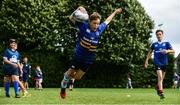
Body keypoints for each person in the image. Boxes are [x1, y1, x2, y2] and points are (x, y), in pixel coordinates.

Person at [60, 6, 122, 99]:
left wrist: (115, 12)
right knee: (69, 73)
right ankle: (63, 88)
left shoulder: (99, 29)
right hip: (78, 56)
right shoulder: (83, 26)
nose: (96, 25)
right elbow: (70, 18)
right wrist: (76, 10)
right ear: (90, 22)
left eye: (98, 23)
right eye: (94, 23)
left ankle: (67, 76)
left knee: (77, 77)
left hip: (88, 59)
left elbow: (107, 20)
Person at [144, 30, 175, 99]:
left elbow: (173, 51)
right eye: (157, 34)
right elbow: (149, 53)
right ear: (156, 36)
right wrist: (146, 61)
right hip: (157, 63)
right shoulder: (154, 44)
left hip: (164, 63)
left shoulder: (166, 43)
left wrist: (167, 51)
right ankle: (161, 92)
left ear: (162, 35)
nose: (159, 36)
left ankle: (157, 87)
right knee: (160, 77)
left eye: (160, 34)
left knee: (161, 79)